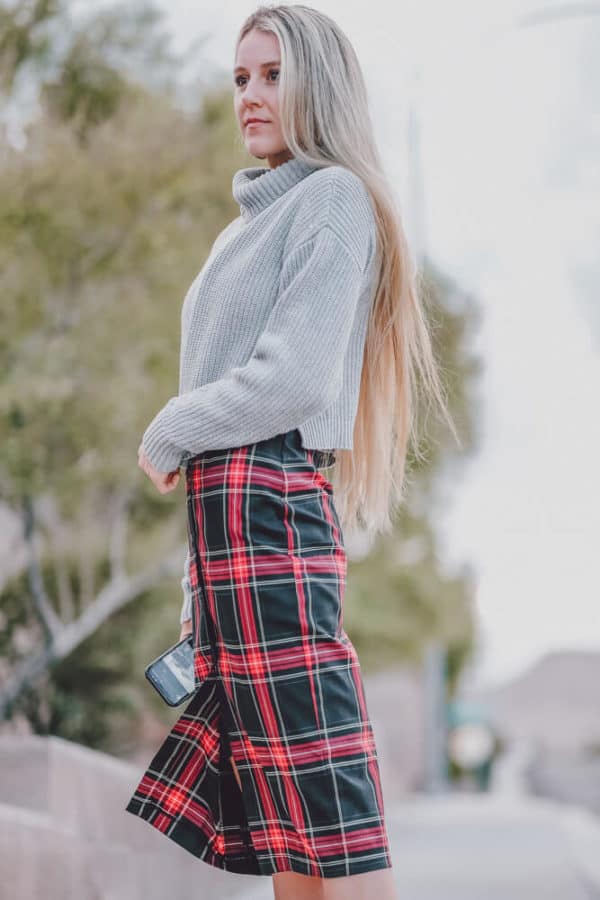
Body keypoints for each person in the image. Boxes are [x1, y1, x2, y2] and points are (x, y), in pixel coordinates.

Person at [126, 5, 455, 899]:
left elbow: (294, 380)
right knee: (288, 834)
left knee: (331, 816)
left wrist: (169, 428)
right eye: (240, 78)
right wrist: (197, 579)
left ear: (318, 82)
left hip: (273, 511)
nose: (250, 96)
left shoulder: (335, 199)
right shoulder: (242, 230)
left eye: (271, 75)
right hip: (229, 536)